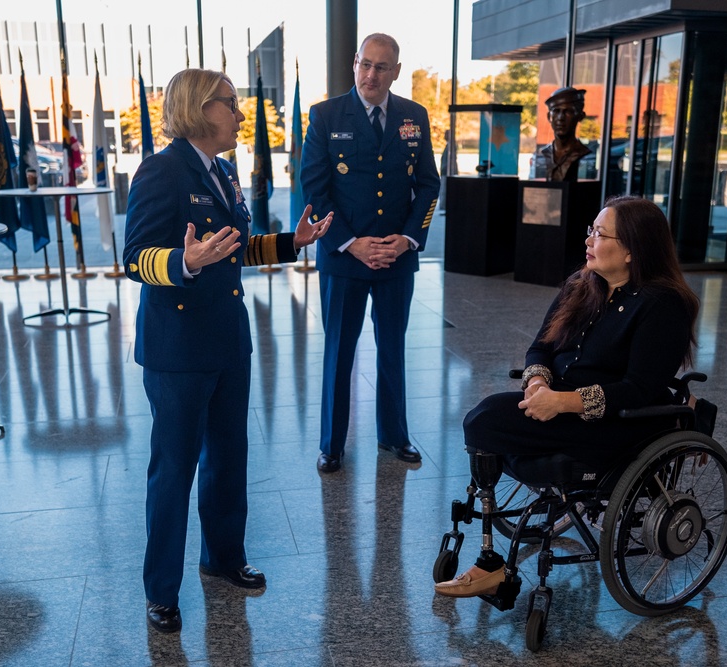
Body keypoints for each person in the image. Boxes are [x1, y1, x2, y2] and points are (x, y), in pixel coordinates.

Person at [123, 68, 332, 633]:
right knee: (174, 471)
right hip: (178, 348)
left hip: (226, 340)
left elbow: (233, 249)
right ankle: (161, 590)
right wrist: (184, 262)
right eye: (231, 105)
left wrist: (292, 242)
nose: (241, 116)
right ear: (198, 108)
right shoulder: (161, 171)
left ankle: (222, 557)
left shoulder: (224, 171)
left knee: (228, 458)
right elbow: (134, 257)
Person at [434, 195, 700, 597]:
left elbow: (639, 390)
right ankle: (490, 560)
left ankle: (491, 564)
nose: (589, 241)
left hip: (614, 424)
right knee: (485, 424)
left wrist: (562, 402)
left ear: (631, 249)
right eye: (590, 231)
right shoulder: (583, 285)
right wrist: (537, 383)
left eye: (600, 233)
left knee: (484, 419)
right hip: (556, 406)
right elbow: (540, 346)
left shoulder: (663, 305)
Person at [300, 33, 440, 474]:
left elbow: (429, 185)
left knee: (392, 347)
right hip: (344, 259)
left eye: (382, 67)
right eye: (365, 64)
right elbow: (315, 188)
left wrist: (407, 239)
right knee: (340, 350)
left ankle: (394, 437)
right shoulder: (325, 115)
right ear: (353, 63)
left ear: (396, 71)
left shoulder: (414, 116)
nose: (371, 74)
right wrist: (351, 242)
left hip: (396, 257)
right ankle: (332, 444)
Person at [533, 86, 591, 182]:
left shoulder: (581, 152)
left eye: (568, 111)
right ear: (549, 117)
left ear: (580, 116)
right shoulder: (546, 152)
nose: (560, 118)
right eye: (556, 111)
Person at [438, 129, 458, 211]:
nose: (444, 136)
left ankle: (444, 206)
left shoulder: (451, 146)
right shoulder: (450, 146)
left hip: (447, 171)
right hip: (446, 170)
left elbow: (451, 159)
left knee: (444, 189)